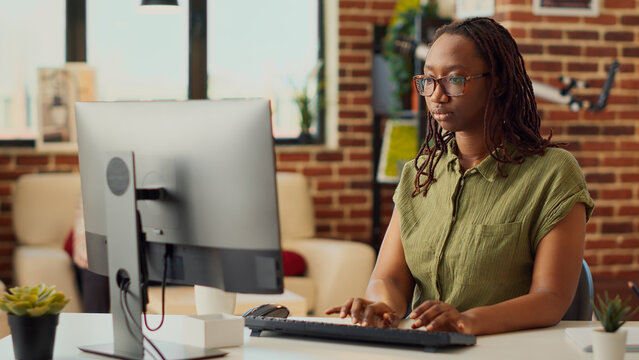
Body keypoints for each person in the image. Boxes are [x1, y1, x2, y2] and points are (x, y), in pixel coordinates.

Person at [326, 17, 594, 335]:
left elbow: (550, 299)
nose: (437, 95)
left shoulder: (553, 174)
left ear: (499, 83)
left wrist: (467, 321)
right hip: (422, 350)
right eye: (428, 80)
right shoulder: (418, 174)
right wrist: (384, 307)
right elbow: (389, 279)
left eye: (454, 79)